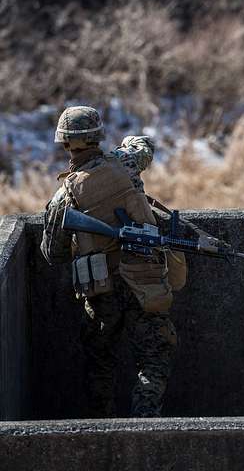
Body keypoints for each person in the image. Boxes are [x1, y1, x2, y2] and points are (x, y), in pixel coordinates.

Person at [41, 105, 186, 418]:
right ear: (99, 137)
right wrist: (131, 142)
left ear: (65, 143)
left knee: (99, 361)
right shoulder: (125, 162)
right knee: (154, 355)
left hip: (101, 289)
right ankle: (146, 416)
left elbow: (52, 253)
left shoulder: (63, 196)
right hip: (143, 280)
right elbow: (144, 146)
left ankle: (100, 426)